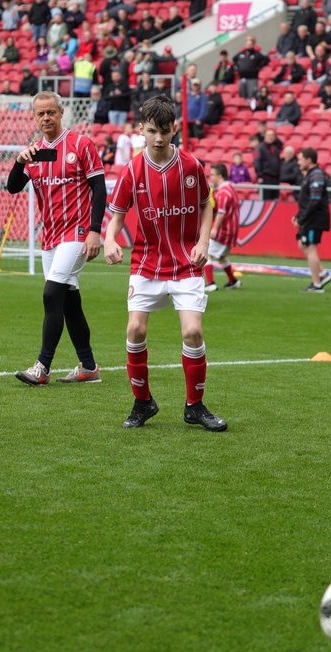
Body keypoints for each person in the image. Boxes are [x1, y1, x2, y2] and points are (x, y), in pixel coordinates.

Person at [104, 94, 227, 432]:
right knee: (135, 329)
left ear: (174, 130)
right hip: (146, 262)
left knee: (192, 331)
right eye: (152, 131)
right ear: (141, 130)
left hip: (186, 262)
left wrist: (203, 242)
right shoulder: (132, 170)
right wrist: (111, 238)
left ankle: (194, 406)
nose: (158, 138)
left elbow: (206, 205)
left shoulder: (191, 166)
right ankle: (142, 402)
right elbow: (116, 215)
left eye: (164, 131)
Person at [6, 92, 106, 386]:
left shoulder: (81, 145)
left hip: (77, 232)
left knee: (51, 293)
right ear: (35, 118)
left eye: (51, 112)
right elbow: (12, 187)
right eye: (41, 114)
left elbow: (99, 189)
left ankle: (42, 367)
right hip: (49, 236)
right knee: (67, 302)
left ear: (61, 112)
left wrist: (95, 230)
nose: (46, 118)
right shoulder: (34, 152)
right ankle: (88, 366)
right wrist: (18, 162)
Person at [295, 147, 331, 293]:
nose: (298, 163)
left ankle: (316, 284)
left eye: (300, 159)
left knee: (310, 247)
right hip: (310, 217)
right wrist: (298, 216)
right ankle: (322, 274)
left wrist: (302, 218)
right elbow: (306, 200)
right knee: (302, 244)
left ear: (309, 160)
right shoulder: (311, 174)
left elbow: (314, 200)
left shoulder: (316, 175)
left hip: (315, 218)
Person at [204, 163, 242, 292]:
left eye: (212, 175)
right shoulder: (230, 188)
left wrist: (214, 228)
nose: (210, 178)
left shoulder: (223, 192)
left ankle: (210, 283)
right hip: (232, 229)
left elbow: (221, 212)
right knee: (221, 256)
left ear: (220, 176)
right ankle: (233, 281)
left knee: (206, 252)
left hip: (224, 230)